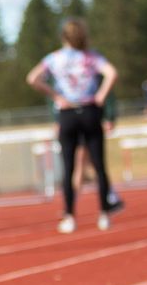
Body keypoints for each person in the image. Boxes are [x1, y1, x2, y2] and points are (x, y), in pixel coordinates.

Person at [26, 19, 122, 234]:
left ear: (63, 37)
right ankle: (104, 214)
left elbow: (32, 78)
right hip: (89, 111)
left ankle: (69, 216)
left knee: (68, 167)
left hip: (67, 114)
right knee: (99, 165)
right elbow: (112, 73)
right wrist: (100, 96)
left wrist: (56, 96)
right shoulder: (91, 57)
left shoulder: (55, 59)